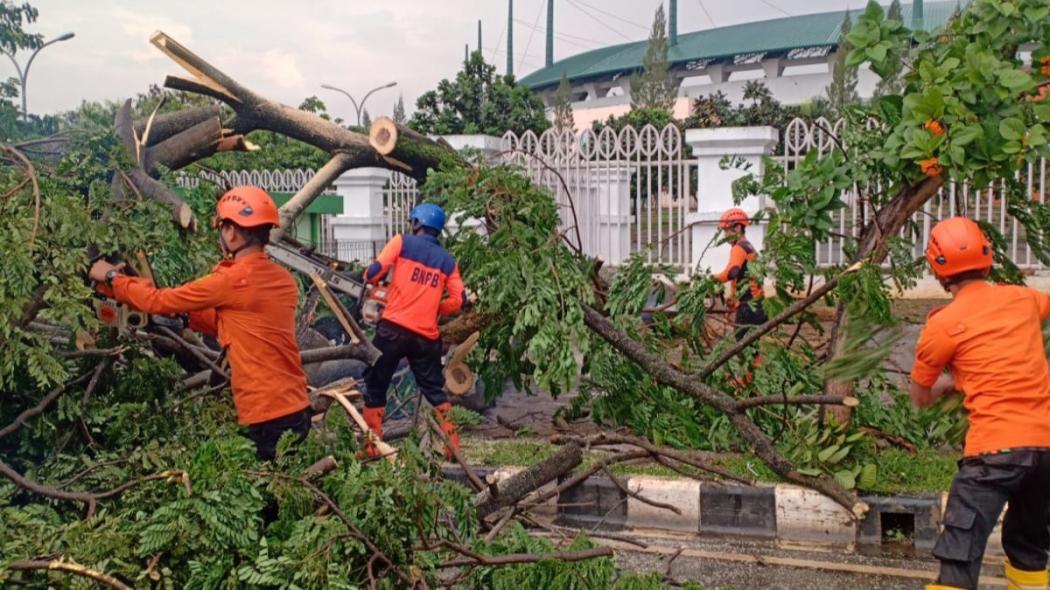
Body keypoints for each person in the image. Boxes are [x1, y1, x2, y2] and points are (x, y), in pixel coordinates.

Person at [88, 186, 311, 461]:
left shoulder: (230, 281)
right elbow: (236, 323)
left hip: (267, 414)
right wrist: (185, 316)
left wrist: (112, 277)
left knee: (267, 497)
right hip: (296, 406)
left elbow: (157, 301)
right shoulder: (282, 280)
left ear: (231, 231)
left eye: (222, 228)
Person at [910, 217, 1050, 590]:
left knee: (959, 555)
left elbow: (920, 396)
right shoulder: (1023, 299)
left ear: (936, 269)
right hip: (1045, 450)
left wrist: (950, 385)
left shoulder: (942, 325)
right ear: (987, 256)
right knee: (1030, 552)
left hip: (994, 452)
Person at [361, 202, 464, 458]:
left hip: (393, 330)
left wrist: (369, 277)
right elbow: (459, 299)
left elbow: (375, 272)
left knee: (375, 384)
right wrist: (437, 307)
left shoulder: (401, 242)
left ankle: (373, 447)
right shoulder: (447, 261)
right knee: (434, 390)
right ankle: (453, 448)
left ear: (416, 223)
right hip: (425, 337)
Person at [713, 208, 767, 341]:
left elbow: (732, 272)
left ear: (737, 228)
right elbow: (743, 276)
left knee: (743, 345)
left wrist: (712, 279)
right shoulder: (748, 246)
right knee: (752, 346)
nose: (725, 236)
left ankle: (754, 363)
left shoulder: (739, 248)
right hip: (757, 303)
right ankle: (756, 362)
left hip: (749, 306)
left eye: (727, 231)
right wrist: (733, 297)